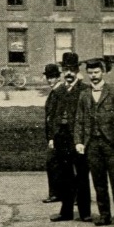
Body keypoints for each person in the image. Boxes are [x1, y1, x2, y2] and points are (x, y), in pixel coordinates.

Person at [73, 58, 114, 226]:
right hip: (92, 144)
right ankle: (104, 215)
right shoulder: (84, 95)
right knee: (99, 182)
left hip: (111, 144)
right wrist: (79, 141)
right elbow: (79, 120)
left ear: (103, 72)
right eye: (90, 73)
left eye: (96, 72)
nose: (93, 76)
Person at [49, 52, 92, 222]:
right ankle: (66, 211)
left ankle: (85, 212)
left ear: (77, 70)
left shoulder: (84, 89)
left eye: (72, 69)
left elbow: (88, 116)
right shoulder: (58, 91)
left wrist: (83, 138)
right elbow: (53, 116)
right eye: (65, 69)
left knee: (82, 174)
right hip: (62, 138)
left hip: (78, 137)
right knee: (65, 175)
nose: (68, 73)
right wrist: (52, 136)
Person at [42, 63, 63, 204]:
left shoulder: (60, 93)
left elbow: (58, 117)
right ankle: (57, 193)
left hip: (59, 135)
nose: (50, 80)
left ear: (58, 77)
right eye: (48, 77)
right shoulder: (54, 92)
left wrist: (53, 138)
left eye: (53, 77)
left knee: (55, 163)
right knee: (54, 164)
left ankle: (57, 194)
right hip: (53, 135)